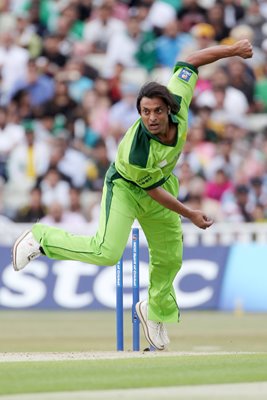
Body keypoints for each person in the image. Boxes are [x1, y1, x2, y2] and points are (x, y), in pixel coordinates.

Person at [12, 39, 253, 351]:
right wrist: (190, 213)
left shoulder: (179, 100)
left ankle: (154, 311)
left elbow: (191, 60)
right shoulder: (137, 150)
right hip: (127, 187)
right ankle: (41, 237)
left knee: (169, 258)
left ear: (169, 108)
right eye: (144, 112)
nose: (150, 118)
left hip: (163, 184)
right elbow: (150, 190)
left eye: (156, 111)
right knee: (106, 252)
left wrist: (232, 50)